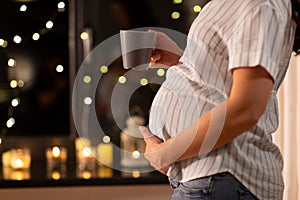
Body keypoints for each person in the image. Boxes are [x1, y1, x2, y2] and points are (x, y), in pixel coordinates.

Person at [139, 0, 300, 199]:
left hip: (222, 178)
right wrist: (179, 60)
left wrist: (164, 153)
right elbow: (220, 85)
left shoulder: (259, 4)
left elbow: (246, 108)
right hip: (210, 179)